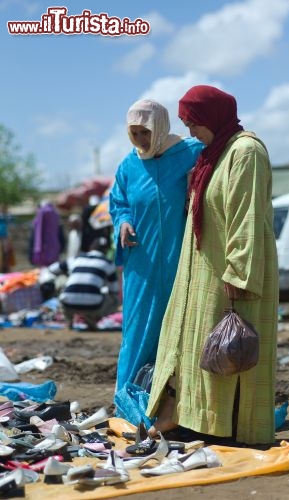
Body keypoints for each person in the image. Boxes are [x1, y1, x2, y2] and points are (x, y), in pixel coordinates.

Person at [146, 85, 279, 446]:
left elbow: (246, 216)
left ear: (213, 117)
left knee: (231, 353)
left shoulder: (245, 151)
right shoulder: (213, 156)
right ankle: (196, 421)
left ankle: (234, 429)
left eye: (193, 123)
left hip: (231, 277)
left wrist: (238, 274)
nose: (189, 132)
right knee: (200, 353)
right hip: (204, 274)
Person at [109, 98, 203, 395]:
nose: (140, 139)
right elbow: (118, 201)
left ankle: (177, 403)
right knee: (137, 331)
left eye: (145, 132)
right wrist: (123, 221)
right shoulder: (129, 165)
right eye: (134, 133)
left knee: (185, 331)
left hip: (183, 260)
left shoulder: (190, 152)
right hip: (142, 264)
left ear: (160, 127)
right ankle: (128, 397)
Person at [49, 236, 119, 330]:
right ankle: (92, 318)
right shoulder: (108, 263)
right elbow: (114, 290)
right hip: (93, 306)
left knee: (61, 283)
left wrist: (69, 274)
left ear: (91, 248)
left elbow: (52, 269)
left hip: (68, 303)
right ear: (106, 251)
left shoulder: (76, 258)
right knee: (114, 300)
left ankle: (69, 320)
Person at [29, 201, 65, 267]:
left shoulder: (42, 212)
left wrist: (38, 249)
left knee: (44, 269)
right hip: (55, 247)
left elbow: (39, 231)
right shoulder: (55, 213)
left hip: (45, 248)